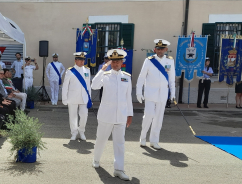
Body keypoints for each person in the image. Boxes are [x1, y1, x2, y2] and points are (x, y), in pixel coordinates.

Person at [91, 49, 133, 181]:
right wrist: (102, 70)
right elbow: (94, 86)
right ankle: (96, 159)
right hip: (106, 115)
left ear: (122, 62)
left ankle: (119, 169)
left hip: (120, 116)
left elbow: (128, 98)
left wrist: (129, 114)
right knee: (101, 140)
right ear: (110, 62)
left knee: (120, 143)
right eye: (113, 61)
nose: (115, 64)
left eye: (118, 61)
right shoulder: (105, 75)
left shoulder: (127, 77)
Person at [136, 39, 175, 150]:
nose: (160, 51)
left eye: (162, 49)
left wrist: (173, 92)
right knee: (148, 115)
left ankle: (154, 140)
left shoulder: (170, 61)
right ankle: (143, 137)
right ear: (155, 49)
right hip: (150, 93)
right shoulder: (149, 61)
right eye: (158, 48)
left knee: (158, 118)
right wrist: (139, 92)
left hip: (162, 94)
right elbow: (141, 77)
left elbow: (172, 78)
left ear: (166, 49)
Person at [62, 52, 91, 140]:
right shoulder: (70, 71)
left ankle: (81, 131)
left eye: (83, 60)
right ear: (75, 60)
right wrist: (64, 98)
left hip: (84, 98)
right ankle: (74, 133)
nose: (82, 62)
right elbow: (65, 86)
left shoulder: (87, 70)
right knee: (73, 116)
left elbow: (88, 86)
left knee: (84, 115)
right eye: (80, 60)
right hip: (72, 97)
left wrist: (89, 98)